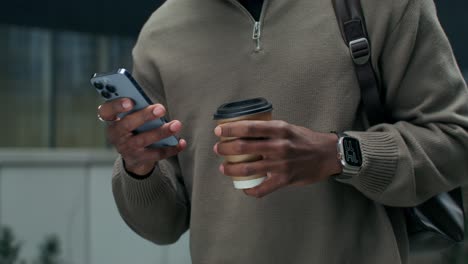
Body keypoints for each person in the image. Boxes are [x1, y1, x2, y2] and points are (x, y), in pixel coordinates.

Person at [96, 0, 468, 263]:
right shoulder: (161, 36)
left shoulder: (382, 5)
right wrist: (137, 165)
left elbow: (454, 138)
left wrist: (339, 155)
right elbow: (161, 226)